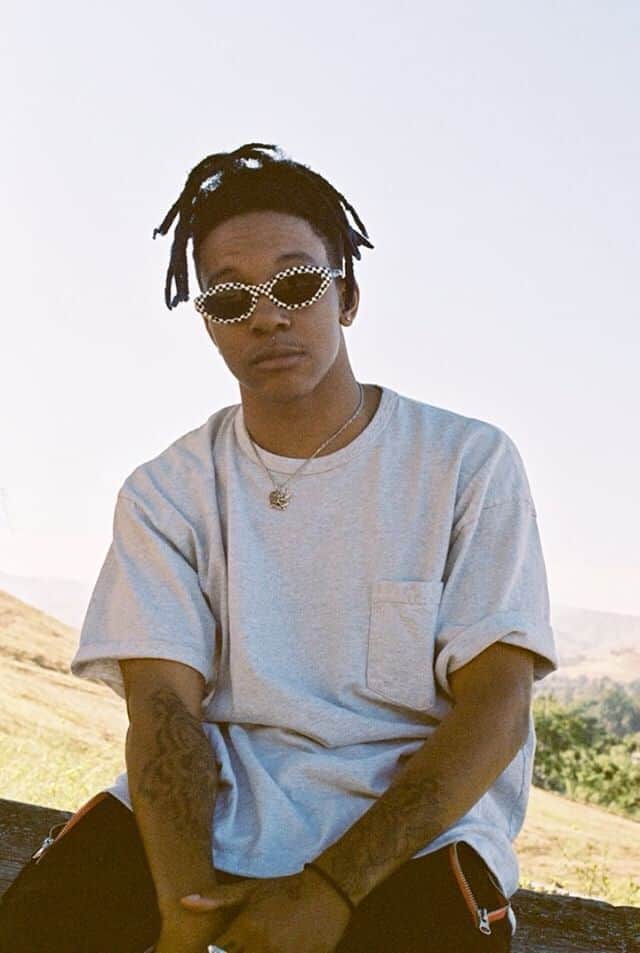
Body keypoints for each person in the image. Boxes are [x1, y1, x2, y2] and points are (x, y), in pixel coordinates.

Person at [0, 142, 558, 953]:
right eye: (230, 298)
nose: (266, 316)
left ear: (348, 295)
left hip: (410, 845)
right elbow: (162, 714)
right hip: (213, 825)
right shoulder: (166, 492)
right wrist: (185, 908)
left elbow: (497, 707)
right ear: (208, 322)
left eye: (296, 284)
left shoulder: (465, 464)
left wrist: (330, 890)